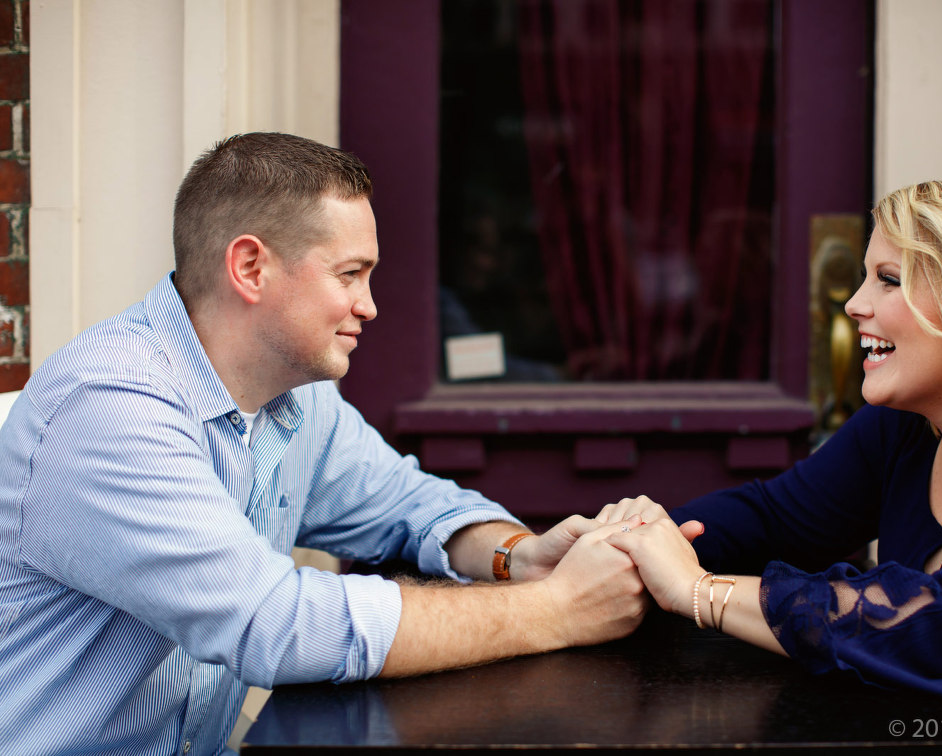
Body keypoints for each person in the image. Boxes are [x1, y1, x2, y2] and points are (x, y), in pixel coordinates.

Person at [0, 132, 649, 755]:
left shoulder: (294, 396)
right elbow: (273, 625)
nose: (369, 306)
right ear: (250, 267)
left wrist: (518, 557)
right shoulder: (110, 407)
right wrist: (555, 610)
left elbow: (411, 504)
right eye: (349, 274)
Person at [601, 180, 942, 756]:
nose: (854, 304)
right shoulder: (909, 425)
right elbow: (771, 517)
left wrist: (700, 591)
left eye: (888, 279)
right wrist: (617, 546)